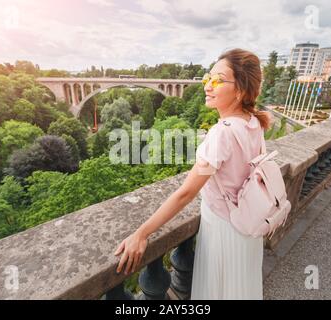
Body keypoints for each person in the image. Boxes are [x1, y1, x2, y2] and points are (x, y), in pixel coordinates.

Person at [114, 48, 272, 299]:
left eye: (218, 80)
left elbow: (186, 192)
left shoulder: (221, 133)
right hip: (247, 230)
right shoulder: (254, 123)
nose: (208, 85)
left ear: (240, 89)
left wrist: (141, 233)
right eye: (208, 77)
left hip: (224, 231)